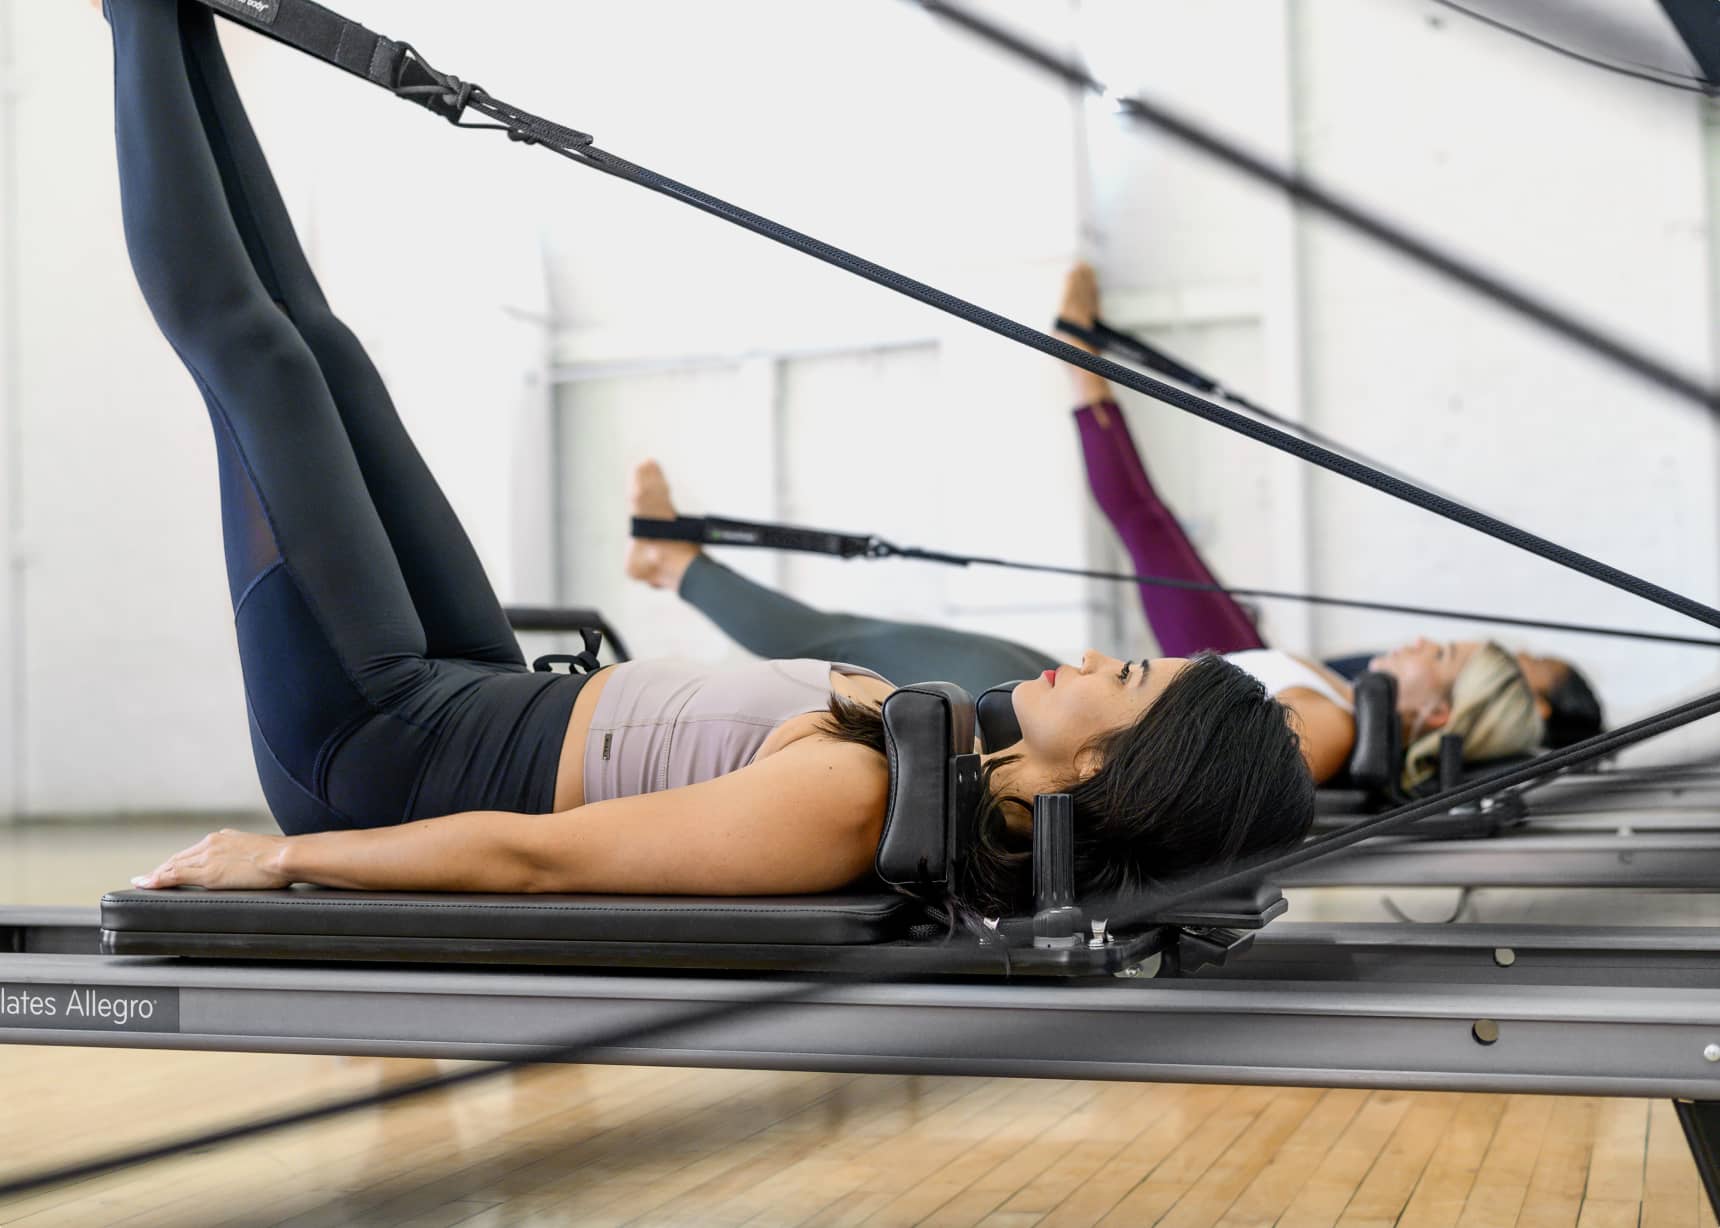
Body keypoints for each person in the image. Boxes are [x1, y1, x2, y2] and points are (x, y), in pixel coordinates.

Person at [110, 0, 1315, 914]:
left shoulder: (856, 797)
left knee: (261, 360)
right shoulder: (938, 741)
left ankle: (130, 16)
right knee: (324, 352)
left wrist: (285, 858)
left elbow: (538, 860)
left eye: (1127, 675)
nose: (1096, 654)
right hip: (480, 697)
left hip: (383, 750)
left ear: (1107, 763)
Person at [628, 266, 1570, 786]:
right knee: (839, 646)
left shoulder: (1325, 727)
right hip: (1072, 692)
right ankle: (675, 565)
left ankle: (675, 566)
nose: (1419, 642)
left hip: (1054, 722)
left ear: (1436, 715)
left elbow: (1191, 782)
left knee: (836, 655)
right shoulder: (1336, 701)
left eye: (1441, 655)